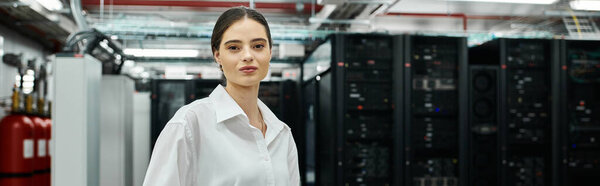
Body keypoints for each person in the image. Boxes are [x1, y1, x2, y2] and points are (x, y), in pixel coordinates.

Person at [143, 6, 300, 186]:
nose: (248, 55)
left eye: (258, 46)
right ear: (218, 55)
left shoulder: (282, 134)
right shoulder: (189, 124)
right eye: (234, 47)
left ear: (270, 52)